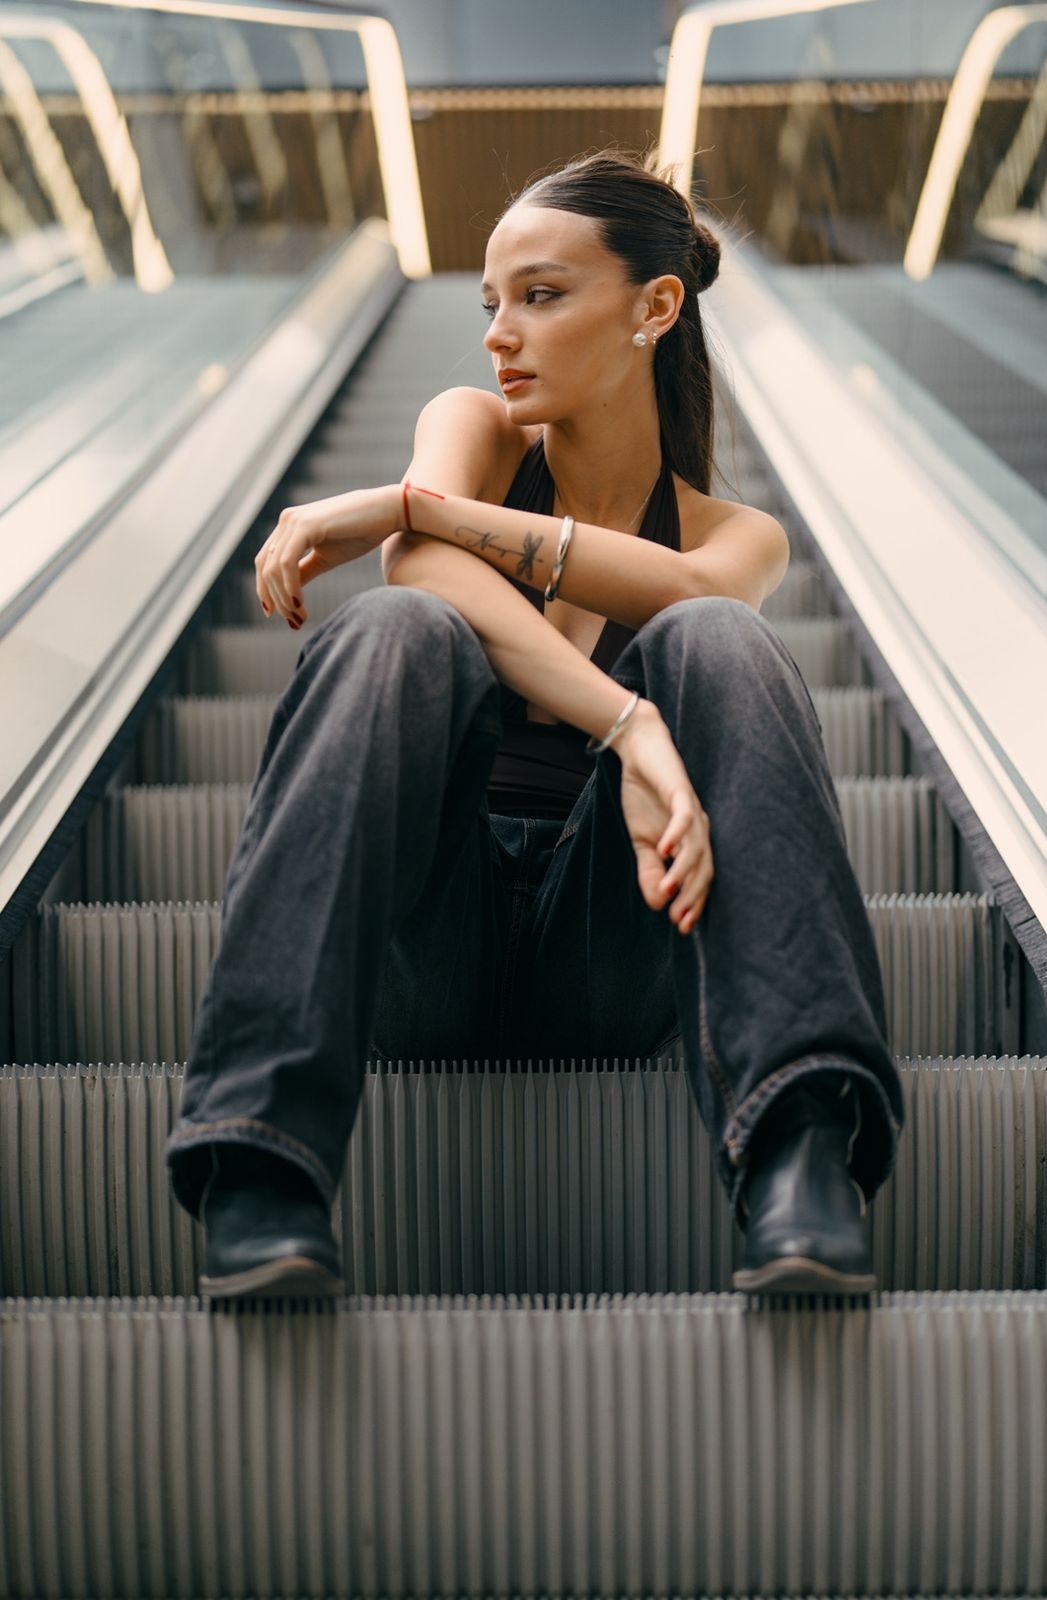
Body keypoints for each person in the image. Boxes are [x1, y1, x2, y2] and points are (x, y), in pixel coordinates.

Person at [165, 148, 903, 1300]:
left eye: (542, 295)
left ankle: (800, 1161)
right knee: (390, 629)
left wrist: (410, 504)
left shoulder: (735, 533)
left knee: (718, 641)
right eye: (490, 302)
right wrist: (630, 730)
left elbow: (694, 599)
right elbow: (421, 573)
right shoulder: (473, 427)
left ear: (655, 307)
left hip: (610, 951)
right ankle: (261, 1165)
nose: (499, 332)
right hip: (427, 940)